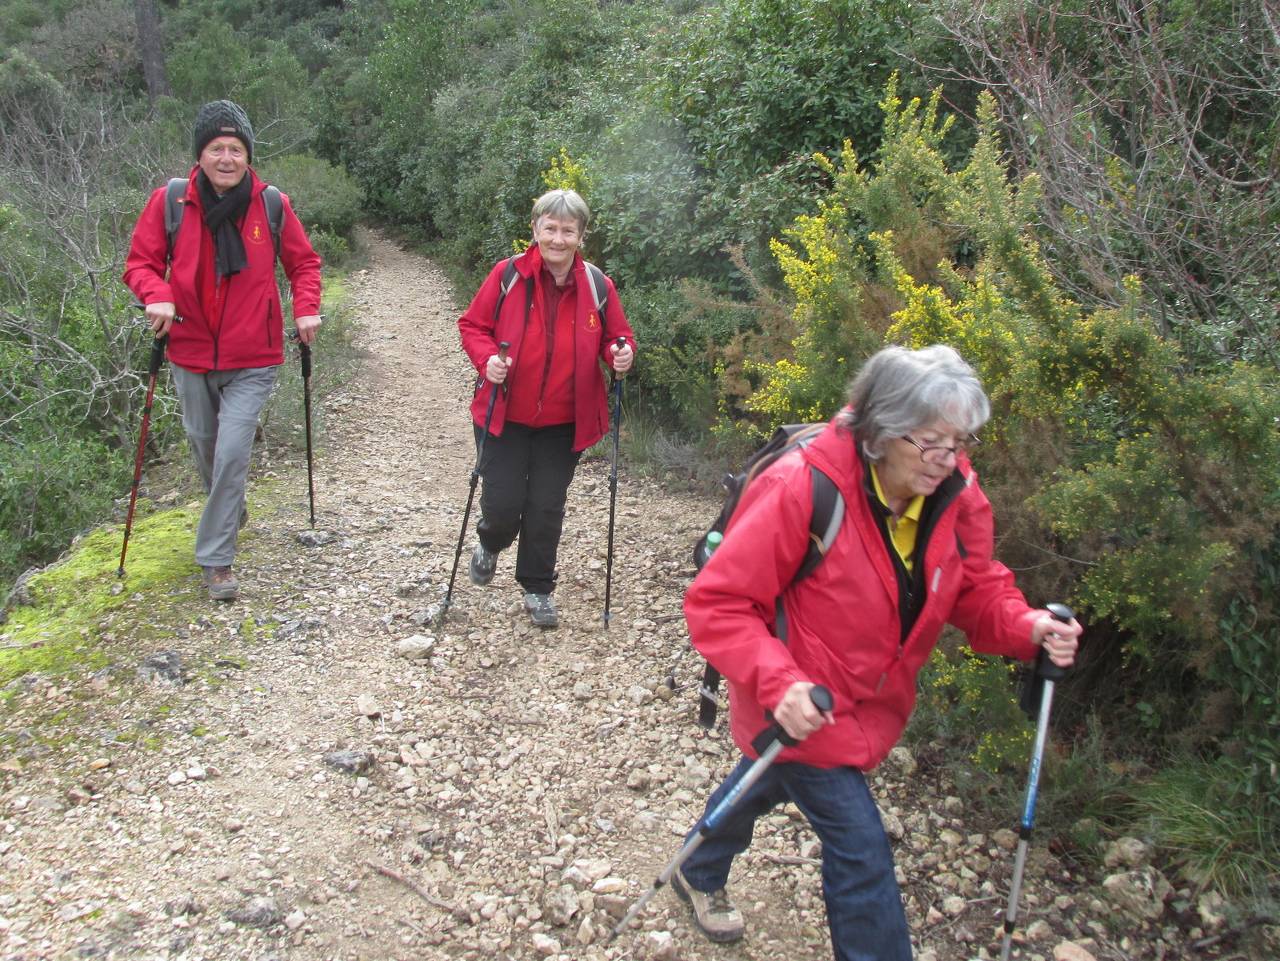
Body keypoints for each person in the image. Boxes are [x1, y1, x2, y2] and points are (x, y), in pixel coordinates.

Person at [677, 344, 1083, 960]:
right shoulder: (804, 487)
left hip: (868, 701)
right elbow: (720, 602)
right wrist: (780, 683)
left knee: (767, 775)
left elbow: (973, 587)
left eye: (960, 442)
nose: (947, 460)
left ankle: (697, 867)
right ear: (882, 431)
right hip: (798, 697)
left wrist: (1025, 625)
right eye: (930, 442)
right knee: (861, 850)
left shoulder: (953, 489)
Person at [123, 100, 322, 601]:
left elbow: (305, 264)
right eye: (217, 148)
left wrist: (306, 308)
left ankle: (217, 560)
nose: (227, 158)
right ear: (201, 154)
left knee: (233, 451)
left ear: (248, 155)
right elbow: (139, 264)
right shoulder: (171, 201)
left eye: (236, 149)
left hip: (253, 355)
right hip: (188, 350)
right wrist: (157, 293)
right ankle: (230, 507)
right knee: (205, 446)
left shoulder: (271, 204)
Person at [457, 188, 636, 629]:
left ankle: (538, 588)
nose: (558, 238)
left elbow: (619, 337)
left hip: (563, 423)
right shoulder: (508, 275)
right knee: (502, 504)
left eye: (568, 230)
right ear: (535, 229)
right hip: (504, 414)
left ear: (581, 236)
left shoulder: (597, 285)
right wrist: (488, 360)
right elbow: (472, 325)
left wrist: (621, 354)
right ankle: (490, 541)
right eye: (550, 228)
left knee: (545, 506)